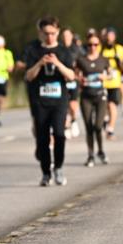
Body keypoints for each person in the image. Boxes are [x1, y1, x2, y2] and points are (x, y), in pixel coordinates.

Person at [23, 17, 75, 186]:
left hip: (59, 101)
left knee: (59, 135)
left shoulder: (64, 51)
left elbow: (71, 76)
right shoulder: (33, 50)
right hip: (40, 101)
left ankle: (58, 168)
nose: (49, 37)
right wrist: (40, 63)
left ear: (58, 32)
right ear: (40, 33)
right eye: (46, 34)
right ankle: (46, 173)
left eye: (53, 33)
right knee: (42, 138)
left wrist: (57, 63)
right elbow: (28, 76)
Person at [75, 34, 110, 165]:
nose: (93, 47)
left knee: (98, 126)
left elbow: (111, 74)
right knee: (89, 127)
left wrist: (105, 77)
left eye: (95, 44)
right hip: (86, 97)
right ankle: (90, 155)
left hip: (100, 95)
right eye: (90, 45)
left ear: (99, 46)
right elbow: (75, 74)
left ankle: (101, 151)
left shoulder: (103, 60)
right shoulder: (81, 60)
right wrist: (80, 79)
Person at [100, 27, 123, 140]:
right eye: (107, 36)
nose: (109, 38)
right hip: (102, 82)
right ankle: (105, 120)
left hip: (115, 82)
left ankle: (111, 128)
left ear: (114, 37)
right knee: (104, 106)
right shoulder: (100, 49)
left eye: (111, 36)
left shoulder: (120, 49)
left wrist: (118, 62)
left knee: (112, 105)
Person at [61, 28, 83, 138]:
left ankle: (73, 120)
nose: (66, 38)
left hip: (74, 80)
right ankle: (66, 126)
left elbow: (83, 63)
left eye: (68, 36)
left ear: (71, 36)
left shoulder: (77, 49)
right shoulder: (59, 49)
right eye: (64, 36)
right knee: (64, 105)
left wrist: (80, 74)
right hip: (62, 81)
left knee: (73, 106)